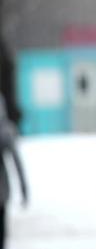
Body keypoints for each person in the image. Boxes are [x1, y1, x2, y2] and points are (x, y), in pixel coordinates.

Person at [0, 93, 28, 249]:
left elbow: (17, 162)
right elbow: (17, 163)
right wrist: (24, 189)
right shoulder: (5, 130)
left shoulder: (5, 131)